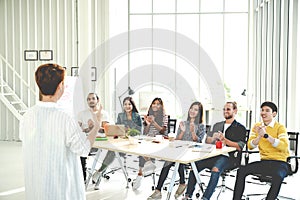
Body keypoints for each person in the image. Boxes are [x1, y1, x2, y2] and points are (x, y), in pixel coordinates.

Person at [19, 63, 101, 200]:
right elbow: (84, 149)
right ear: (60, 86)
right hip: (61, 190)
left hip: (36, 188)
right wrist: (97, 125)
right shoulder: (65, 118)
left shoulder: (27, 116)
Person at [183, 101, 247, 200]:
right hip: (213, 155)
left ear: (235, 111)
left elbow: (240, 146)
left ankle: (205, 198)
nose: (225, 111)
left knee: (216, 169)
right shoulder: (217, 125)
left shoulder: (240, 128)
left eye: (228, 109)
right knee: (194, 166)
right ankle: (188, 195)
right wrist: (213, 138)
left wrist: (224, 140)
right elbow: (207, 141)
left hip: (229, 157)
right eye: (224, 109)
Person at [148, 101, 206, 200]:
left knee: (178, 158)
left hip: (192, 153)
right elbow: (178, 140)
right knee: (168, 161)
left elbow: (199, 142)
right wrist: (182, 132)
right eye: (191, 108)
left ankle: (182, 183)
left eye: (196, 110)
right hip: (181, 151)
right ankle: (159, 190)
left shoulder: (201, 126)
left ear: (199, 113)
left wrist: (192, 132)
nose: (192, 111)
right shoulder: (184, 123)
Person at [233, 101, 290, 200]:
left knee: (277, 176)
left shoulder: (280, 127)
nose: (263, 113)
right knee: (241, 171)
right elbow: (250, 146)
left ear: (274, 114)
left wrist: (266, 135)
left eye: (267, 110)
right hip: (265, 161)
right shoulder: (257, 126)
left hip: (280, 162)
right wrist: (259, 136)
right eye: (262, 110)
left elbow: (283, 146)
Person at [92, 96, 142, 189]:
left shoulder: (137, 116)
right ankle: (99, 173)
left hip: (132, 143)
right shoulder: (120, 115)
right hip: (121, 142)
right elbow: (117, 129)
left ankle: (99, 172)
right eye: (125, 104)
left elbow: (140, 132)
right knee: (113, 150)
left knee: (113, 151)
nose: (127, 106)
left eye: (129, 104)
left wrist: (129, 131)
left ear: (132, 105)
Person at [132, 97, 168, 190]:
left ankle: (140, 175)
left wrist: (154, 122)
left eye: (158, 104)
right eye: (154, 103)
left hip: (160, 140)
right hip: (149, 139)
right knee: (140, 146)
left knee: (143, 150)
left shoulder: (164, 116)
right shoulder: (149, 115)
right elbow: (145, 132)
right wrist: (147, 123)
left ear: (161, 106)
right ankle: (148, 163)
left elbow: (163, 131)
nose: (155, 105)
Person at [77, 92, 110, 184]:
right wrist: (88, 128)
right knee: (78, 150)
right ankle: (82, 178)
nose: (90, 101)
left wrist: (94, 126)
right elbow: (77, 129)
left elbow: (105, 130)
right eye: (88, 99)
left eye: (93, 98)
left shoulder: (104, 114)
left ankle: (98, 173)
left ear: (97, 100)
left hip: (99, 143)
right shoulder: (82, 114)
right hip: (86, 142)